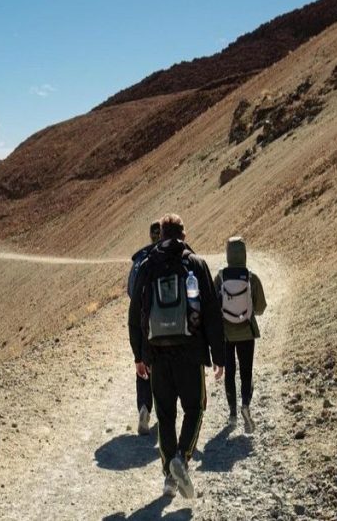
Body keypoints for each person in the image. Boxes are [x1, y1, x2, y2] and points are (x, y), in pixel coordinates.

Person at [129, 213, 225, 499]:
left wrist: (138, 355)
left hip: (157, 354)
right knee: (195, 408)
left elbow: (135, 314)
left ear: (160, 235)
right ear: (183, 235)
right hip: (190, 352)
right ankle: (181, 458)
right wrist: (219, 356)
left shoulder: (147, 266)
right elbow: (211, 313)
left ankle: (169, 480)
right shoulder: (195, 264)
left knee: (165, 414)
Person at [214, 236, 267, 434]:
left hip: (226, 334)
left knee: (230, 373)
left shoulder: (220, 277)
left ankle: (232, 414)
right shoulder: (251, 277)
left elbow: (213, 305)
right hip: (246, 332)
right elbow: (260, 308)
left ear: (228, 254)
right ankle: (245, 404)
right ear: (244, 253)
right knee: (246, 372)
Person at [127, 220, 162, 435]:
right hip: (164, 321)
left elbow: (131, 292)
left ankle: (144, 408)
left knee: (142, 366)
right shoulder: (168, 258)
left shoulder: (140, 260)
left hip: (141, 321)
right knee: (162, 366)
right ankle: (163, 409)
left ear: (151, 236)